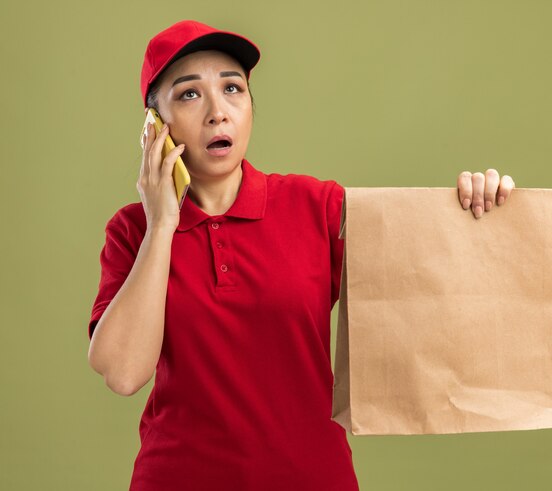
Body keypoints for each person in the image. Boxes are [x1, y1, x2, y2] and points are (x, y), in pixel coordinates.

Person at [86, 20, 515, 491]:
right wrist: (162, 224)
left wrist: (480, 207)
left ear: (251, 106)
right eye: (189, 94)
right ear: (154, 126)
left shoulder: (317, 206)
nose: (217, 112)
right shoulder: (133, 231)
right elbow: (124, 374)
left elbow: (431, 285)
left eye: (233, 89)